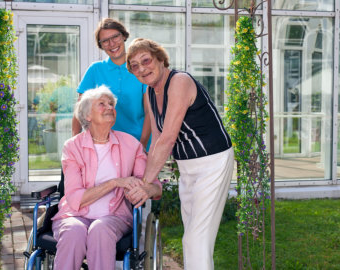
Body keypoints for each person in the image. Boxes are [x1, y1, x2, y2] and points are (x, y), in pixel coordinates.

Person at [125, 38, 234, 270]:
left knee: (196, 238)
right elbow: (156, 140)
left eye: (146, 60)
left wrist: (145, 184)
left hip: (213, 161)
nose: (142, 68)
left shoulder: (180, 81)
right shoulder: (150, 94)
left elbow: (168, 138)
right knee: (194, 235)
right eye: (135, 65)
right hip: (187, 166)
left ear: (160, 59)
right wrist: (148, 181)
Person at [52, 86, 162, 270]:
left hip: (114, 217)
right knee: (73, 231)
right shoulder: (73, 147)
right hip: (74, 215)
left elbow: (154, 186)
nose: (109, 107)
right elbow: (75, 198)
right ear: (87, 115)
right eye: (102, 104)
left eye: (111, 104)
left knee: (100, 230)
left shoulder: (131, 145)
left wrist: (144, 190)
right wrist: (115, 182)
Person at [72, 18, 150, 150]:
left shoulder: (139, 68)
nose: (111, 43)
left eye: (115, 37)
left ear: (124, 36)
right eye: (105, 41)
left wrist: (142, 145)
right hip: (102, 144)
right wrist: (74, 144)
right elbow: (80, 111)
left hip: (137, 142)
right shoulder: (95, 70)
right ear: (101, 45)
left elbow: (150, 112)